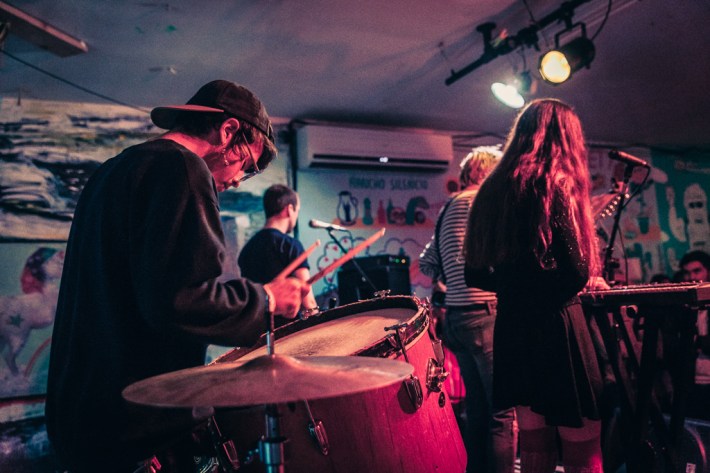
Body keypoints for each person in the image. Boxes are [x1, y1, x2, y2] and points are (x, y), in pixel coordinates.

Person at [45, 80, 310, 473]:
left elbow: (146, 290)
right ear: (228, 131)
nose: (239, 179)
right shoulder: (182, 168)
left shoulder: (112, 171)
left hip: (84, 416)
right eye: (247, 165)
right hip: (137, 425)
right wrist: (267, 299)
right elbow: (182, 298)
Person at [463, 98, 606, 473]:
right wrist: (547, 294)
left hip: (513, 327)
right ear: (565, 138)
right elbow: (575, 273)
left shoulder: (490, 191)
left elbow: (474, 275)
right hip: (558, 327)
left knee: (534, 445)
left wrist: (519, 290)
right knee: (583, 442)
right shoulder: (554, 184)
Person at [419, 146, 517, 473]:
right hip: (484, 313)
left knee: (477, 409)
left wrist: (452, 280)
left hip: (457, 318)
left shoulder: (449, 207)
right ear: (480, 172)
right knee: (502, 412)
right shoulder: (481, 202)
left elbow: (427, 263)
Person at [238, 184, 319, 316]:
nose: (296, 217)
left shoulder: (247, 249)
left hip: (257, 325)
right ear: (289, 209)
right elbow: (308, 303)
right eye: (297, 211)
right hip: (288, 327)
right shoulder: (291, 245)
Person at [679, 250, 710, 421]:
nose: (692, 277)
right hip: (695, 379)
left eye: (697, 271)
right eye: (687, 273)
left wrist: (700, 342)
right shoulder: (685, 306)